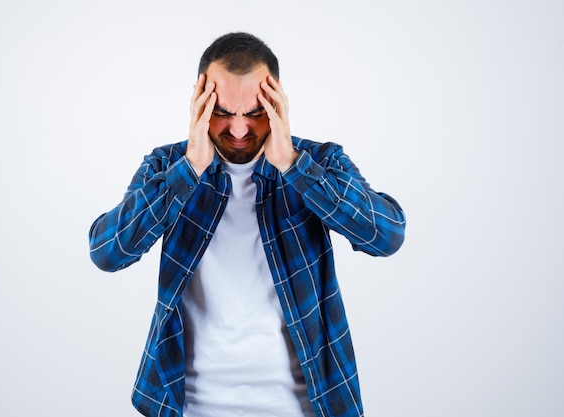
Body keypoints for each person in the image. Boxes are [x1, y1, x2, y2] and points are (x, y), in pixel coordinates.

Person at [89, 32, 406, 417]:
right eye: (222, 112)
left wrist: (293, 166)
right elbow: (107, 252)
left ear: (277, 102)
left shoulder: (319, 162)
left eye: (254, 113)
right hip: (189, 406)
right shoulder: (167, 167)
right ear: (198, 102)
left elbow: (387, 235)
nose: (238, 130)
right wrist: (189, 170)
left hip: (303, 407)